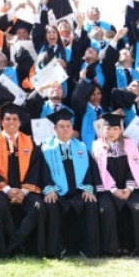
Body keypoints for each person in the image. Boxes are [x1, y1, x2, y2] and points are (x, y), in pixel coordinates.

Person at [40, 109, 101, 258]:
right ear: (54, 129)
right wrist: (49, 189)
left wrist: (88, 189)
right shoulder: (46, 148)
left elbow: (90, 172)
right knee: (51, 204)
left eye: (68, 126)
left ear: (72, 128)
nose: (65, 129)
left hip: (79, 192)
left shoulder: (81, 147)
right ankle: (56, 249)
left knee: (90, 203)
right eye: (61, 126)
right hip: (57, 192)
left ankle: (89, 249)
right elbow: (42, 173)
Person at [0, 104, 47, 258]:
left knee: (38, 207)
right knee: (0, 205)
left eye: (15, 119)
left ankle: (13, 244)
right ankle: (16, 244)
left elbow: (35, 169)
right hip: (2, 189)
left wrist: (23, 191)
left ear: (20, 123)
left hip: (25, 189)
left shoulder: (30, 142)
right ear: (2, 122)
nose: (11, 122)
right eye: (7, 119)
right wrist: (8, 190)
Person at [93, 112, 139, 257]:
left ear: (121, 130)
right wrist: (114, 190)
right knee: (107, 210)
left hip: (129, 188)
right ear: (103, 130)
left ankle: (137, 248)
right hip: (107, 189)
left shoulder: (130, 144)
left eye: (115, 128)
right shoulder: (97, 146)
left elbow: (136, 167)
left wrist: (129, 188)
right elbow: (100, 171)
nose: (111, 132)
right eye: (108, 129)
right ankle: (111, 249)